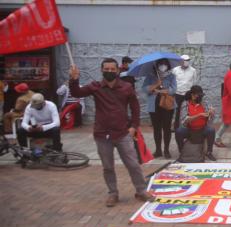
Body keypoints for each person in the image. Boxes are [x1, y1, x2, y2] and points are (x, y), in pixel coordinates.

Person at [69, 58, 154, 207]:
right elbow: (76, 93)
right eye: (106, 69)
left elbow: (135, 108)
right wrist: (74, 79)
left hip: (123, 134)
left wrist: (134, 126)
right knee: (108, 167)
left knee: (133, 164)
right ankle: (113, 193)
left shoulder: (127, 87)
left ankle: (141, 191)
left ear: (118, 70)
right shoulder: (95, 87)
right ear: (101, 70)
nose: (109, 71)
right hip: (102, 134)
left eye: (112, 69)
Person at [142, 58, 177, 158]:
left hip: (167, 105)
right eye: (161, 64)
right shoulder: (150, 76)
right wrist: (156, 84)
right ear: (157, 65)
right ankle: (158, 150)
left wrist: (159, 91)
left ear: (168, 66)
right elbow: (144, 89)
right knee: (156, 129)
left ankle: (166, 150)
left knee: (167, 128)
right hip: (154, 106)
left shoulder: (171, 76)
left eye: (165, 64)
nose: (163, 66)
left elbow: (173, 90)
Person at [175, 85, 216, 161]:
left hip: (202, 128)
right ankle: (182, 152)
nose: (200, 97)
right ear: (192, 95)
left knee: (211, 130)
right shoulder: (186, 104)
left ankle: (209, 152)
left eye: (201, 96)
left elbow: (211, 119)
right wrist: (199, 115)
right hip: (190, 129)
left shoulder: (204, 102)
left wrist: (211, 113)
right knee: (178, 131)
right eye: (198, 96)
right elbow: (184, 120)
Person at [172, 54, 198, 131]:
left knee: (189, 110)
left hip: (188, 94)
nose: (186, 62)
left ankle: (188, 126)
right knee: (177, 110)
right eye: (184, 61)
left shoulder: (193, 70)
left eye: (188, 60)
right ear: (180, 61)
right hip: (177, 93)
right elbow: (173, 82)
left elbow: (194, 82)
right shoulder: (175, 70)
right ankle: (176, 127)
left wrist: (193, 94)